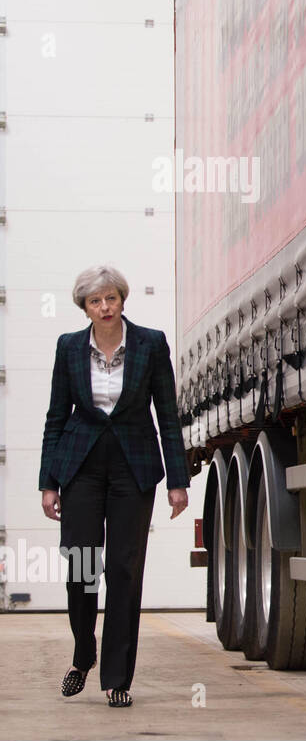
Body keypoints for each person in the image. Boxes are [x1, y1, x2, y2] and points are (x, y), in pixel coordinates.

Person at [39, 266, 190, 708]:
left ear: (123, 299)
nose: (104, 308)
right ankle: (83, 652)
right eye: (94, 301)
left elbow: (167, 414)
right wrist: (49, 482)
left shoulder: (150, 343)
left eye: (110, 298)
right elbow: (55, 418)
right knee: (82, 566)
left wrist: (177, 482)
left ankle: (116, 677)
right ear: (84, 307)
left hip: (134, 468)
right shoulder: (69, 348)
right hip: (80, 467)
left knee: (124, 571)